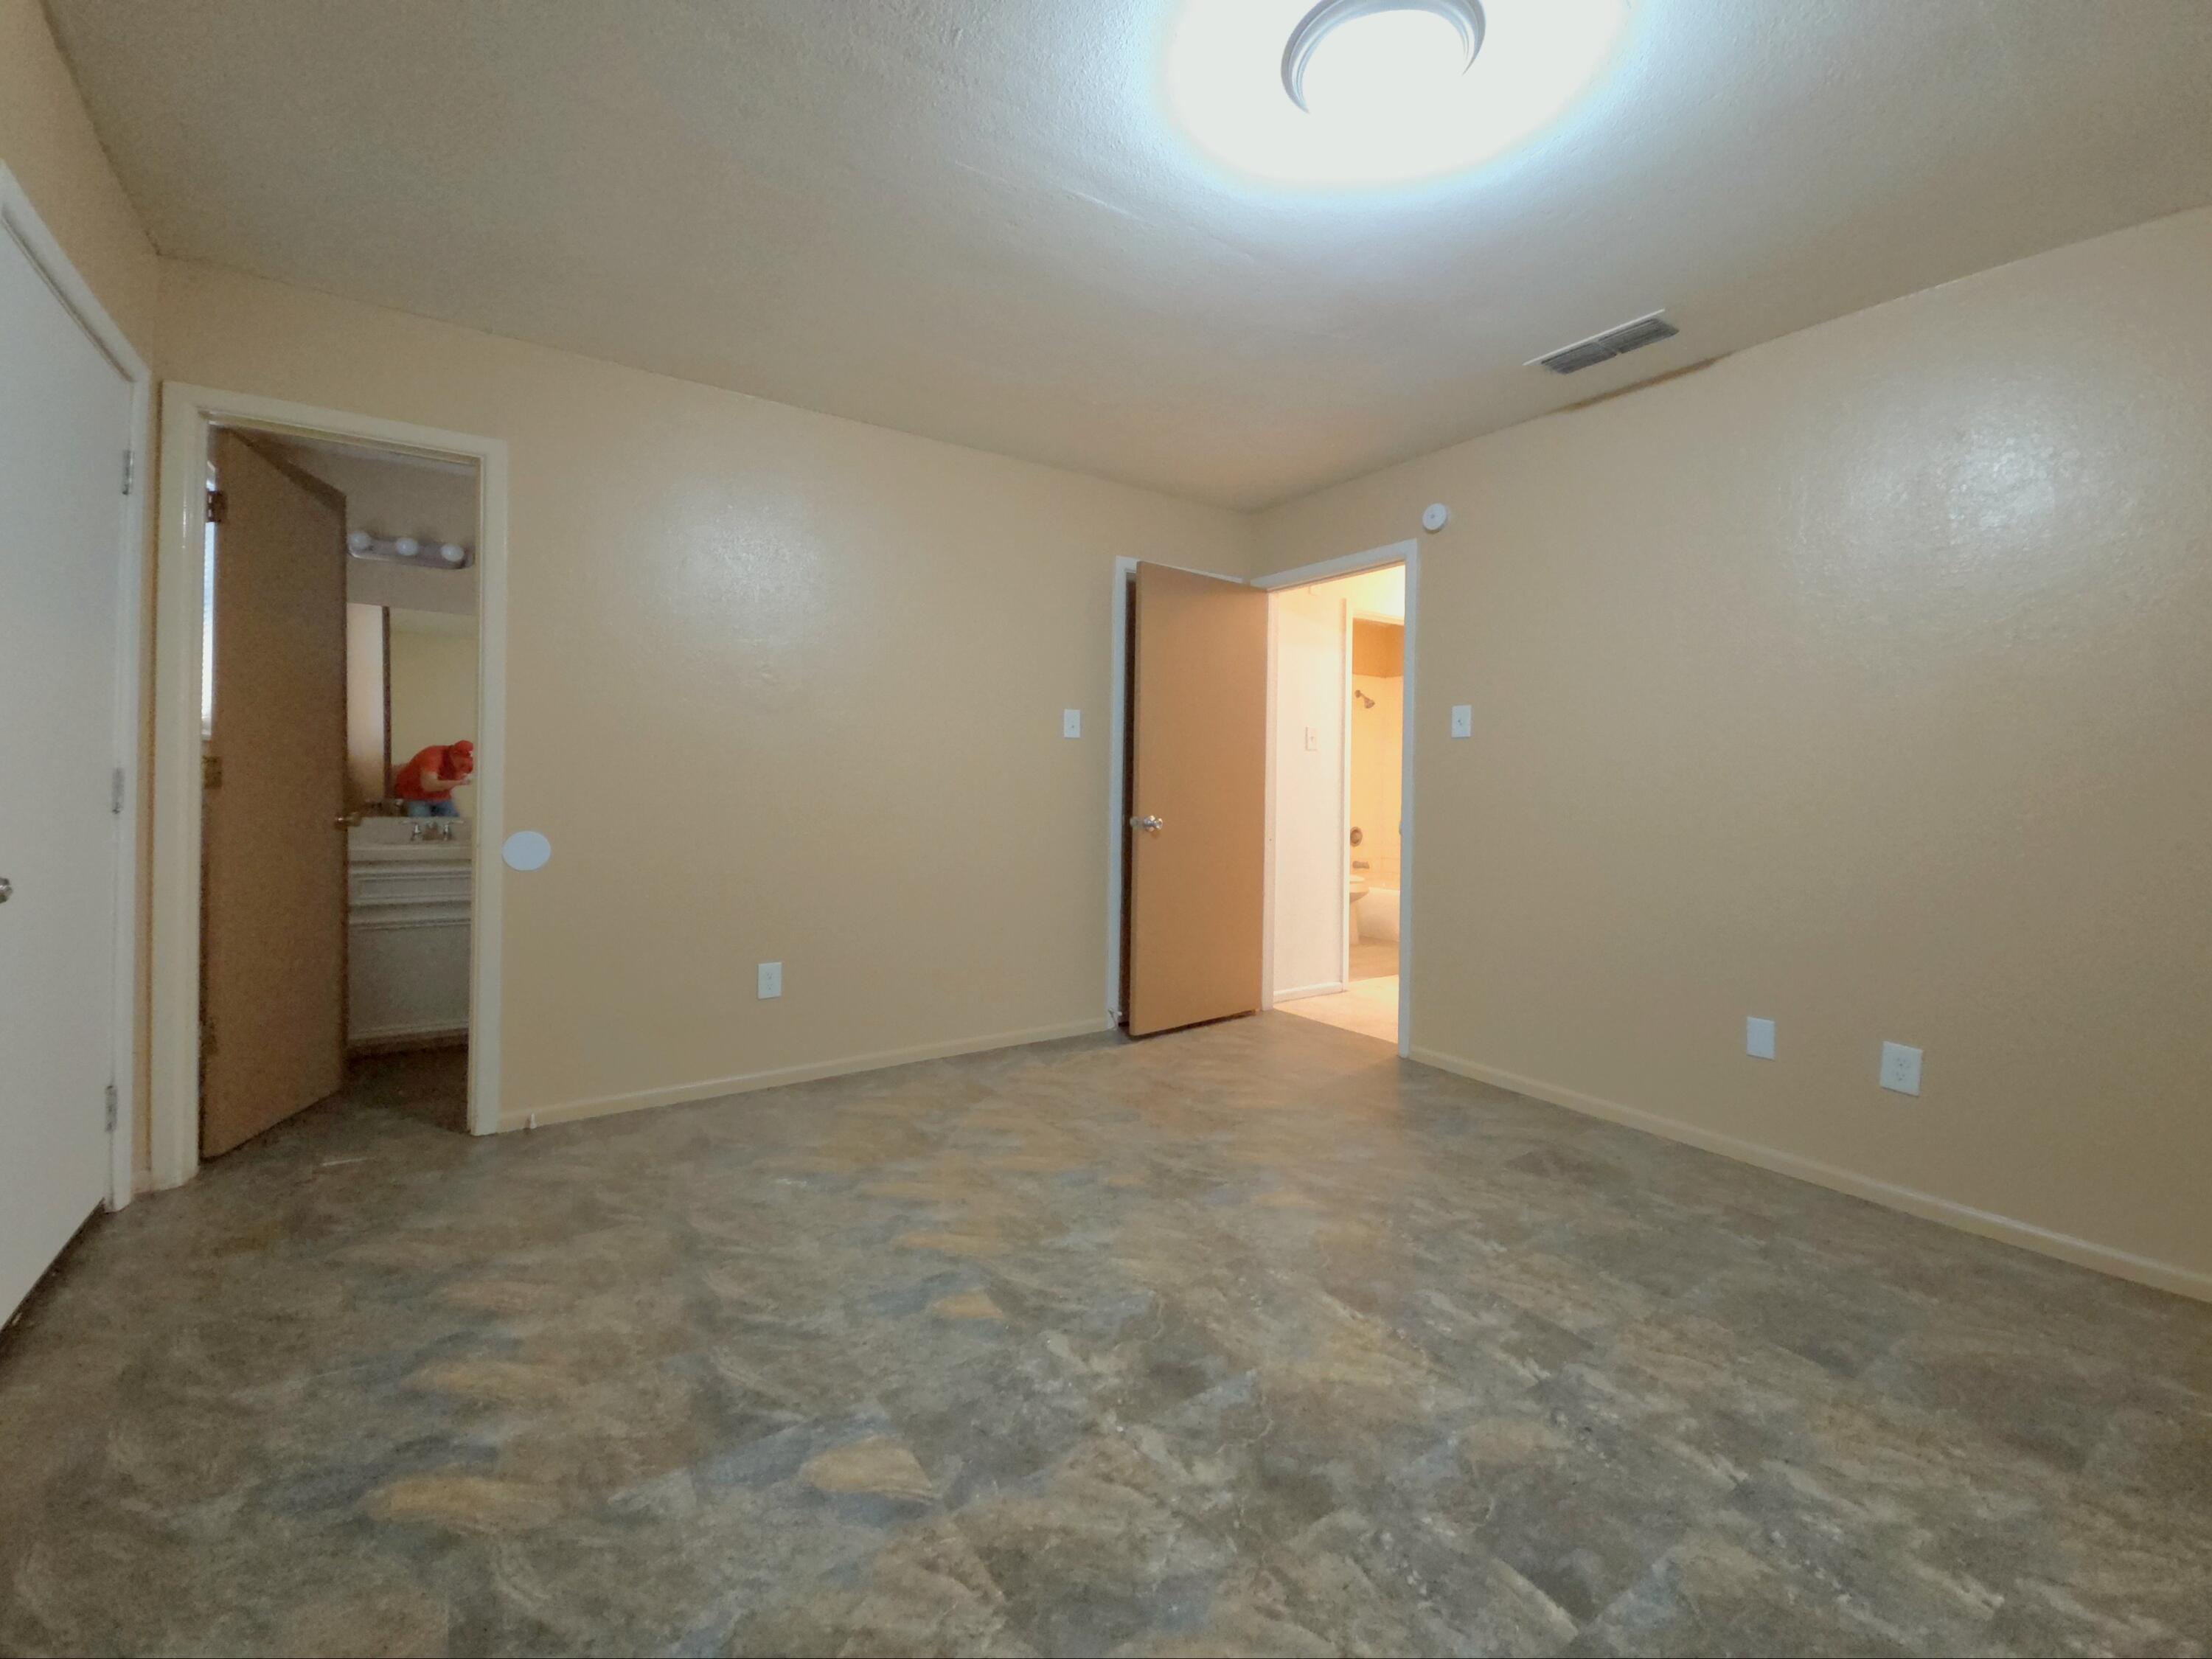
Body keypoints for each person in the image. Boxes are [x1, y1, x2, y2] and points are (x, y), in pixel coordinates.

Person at [393, 739, 474, 818]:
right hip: (415, 795)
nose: (465, 765)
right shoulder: (433, 756)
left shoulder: (467, 761)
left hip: (440, 797)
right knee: (421, 823)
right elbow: (428, 785)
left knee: (454, 824)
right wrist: (459, 782)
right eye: (462, 762)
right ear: (453, 755)